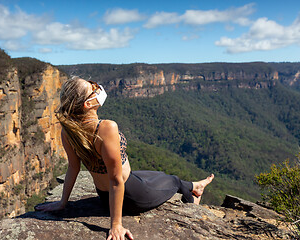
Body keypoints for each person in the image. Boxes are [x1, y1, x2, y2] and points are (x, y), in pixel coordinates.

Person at [35, 77, 214, 240]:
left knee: (156, 174)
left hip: (105, 196)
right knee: (173, 180)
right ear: (87, 104)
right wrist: (116, 225)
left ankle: (195, 186)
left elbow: (73, 168)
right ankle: (193, 202)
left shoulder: (69, 130)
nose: (98, 89)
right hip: (131, 195)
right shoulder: (106, 128)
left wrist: (62, 203)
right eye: (93, 88)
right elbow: (115, 180)